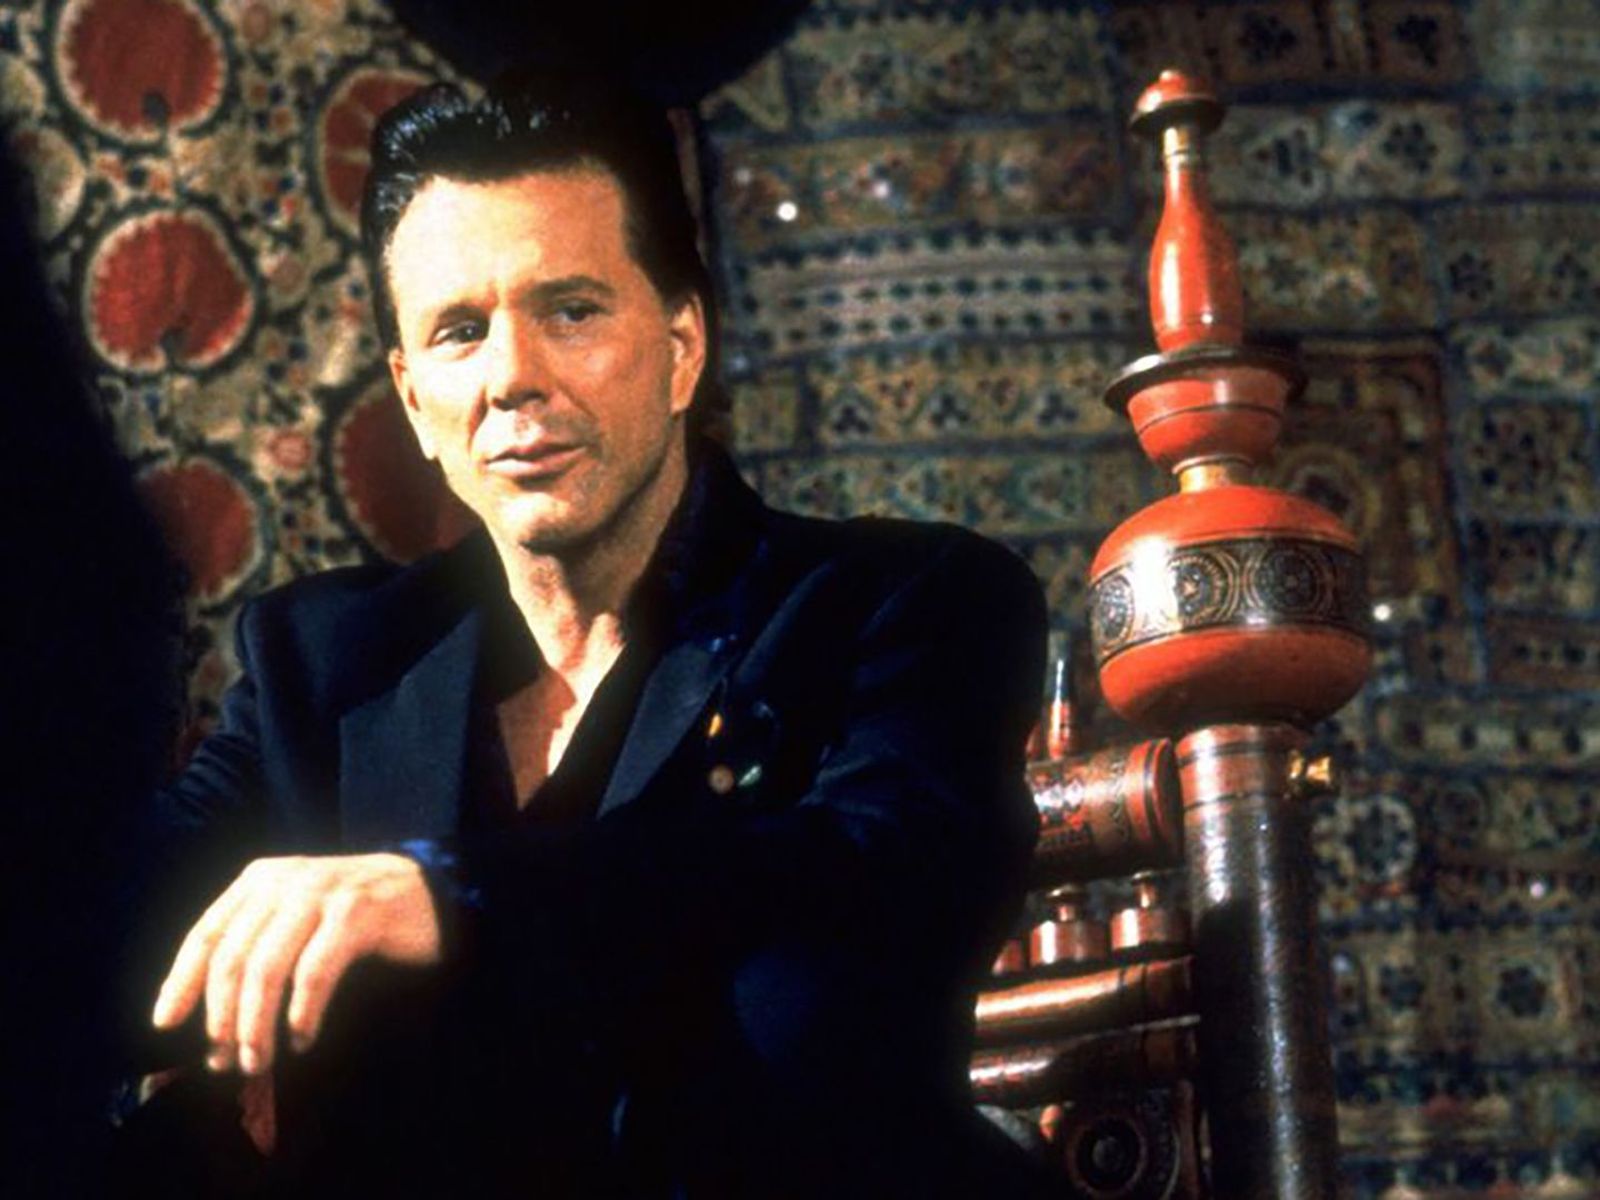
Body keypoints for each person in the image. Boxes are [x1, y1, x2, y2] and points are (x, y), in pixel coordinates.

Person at [119, 73, 1051, 1198]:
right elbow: (106, 936)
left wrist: (447, 896)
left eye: (570, 310)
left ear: (683, 345)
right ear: (412, 401)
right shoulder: (323, 664)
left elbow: (862, 895)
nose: (513, 376)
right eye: (460, 331)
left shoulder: (904, 603)